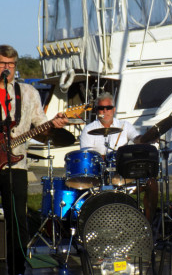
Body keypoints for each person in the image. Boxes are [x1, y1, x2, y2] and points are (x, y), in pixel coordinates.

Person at [0, 45, 69, 275]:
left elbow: (39, 128)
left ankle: (16, 269)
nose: (6, 68)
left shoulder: (28, 92)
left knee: (17, 221)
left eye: (10, 64)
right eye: (2, 63)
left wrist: (52, 125)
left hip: (16, 165)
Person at [80, 92, 158, 223]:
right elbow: (86, 157)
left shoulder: (124, 125)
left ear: (114, 109)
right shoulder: (88, 129)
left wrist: (147, 138)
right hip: (101, 177)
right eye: (101, 108)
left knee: (152, 184)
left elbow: (137, 139)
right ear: (97, 110)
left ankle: (148, 223)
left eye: (108, 108)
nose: (105, 111)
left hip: (125, 174)